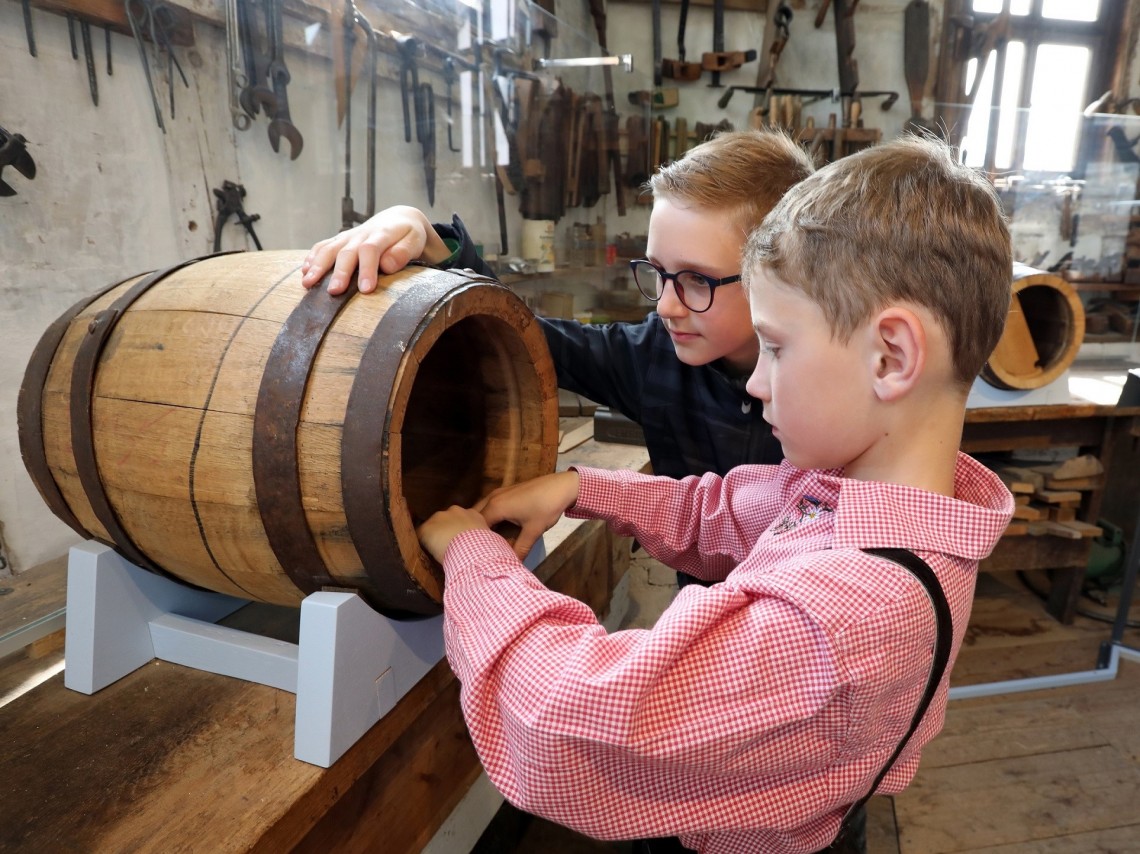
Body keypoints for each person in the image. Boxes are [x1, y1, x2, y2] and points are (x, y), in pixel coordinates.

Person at [414, 135, 1016, 854]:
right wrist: (583, 489)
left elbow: (564, 713)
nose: (757, 381)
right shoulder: (861, 501)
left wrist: (474, 560)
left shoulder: (841, 618)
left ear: (891, 356)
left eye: (778, 348)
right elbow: (719, 512)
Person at [301, 130, 815, 536]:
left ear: (779, 274)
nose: (664, 305)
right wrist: (434, 245)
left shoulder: (833, 403)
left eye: (697, 280)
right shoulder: (657, 358)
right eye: (657, 272)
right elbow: (524, 342)